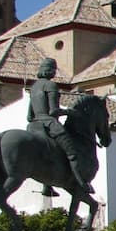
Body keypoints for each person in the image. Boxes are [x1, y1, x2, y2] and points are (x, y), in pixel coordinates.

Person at [26, 57, 93, 195]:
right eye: (54, 70)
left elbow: (29, 116)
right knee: (72, 152)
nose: (55, 72)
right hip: (49, 124)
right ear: (51, 70)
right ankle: (82, 182)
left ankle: (47, 187)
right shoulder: (51, 86)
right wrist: (70, 112)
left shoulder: (34, 87)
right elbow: (53, 111)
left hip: (33, 126)